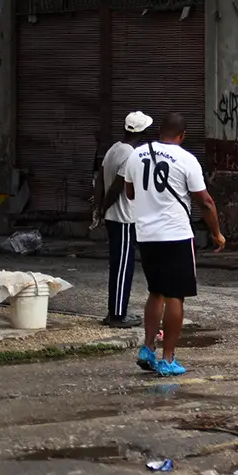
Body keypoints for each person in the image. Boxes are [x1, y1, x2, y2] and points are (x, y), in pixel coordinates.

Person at [120, 113, 226, 376]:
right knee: (175, 296)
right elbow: (206, 202)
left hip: (146, 235)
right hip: (175, 235)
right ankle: (168, 359)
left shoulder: (137, 155)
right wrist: (217, 233)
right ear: (182, 135)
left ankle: (147, 348)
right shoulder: (186, 159)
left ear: (159, 132)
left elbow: (130, 192)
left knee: (155, 291)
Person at [93, 111, 151, 328]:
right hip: (124, 219)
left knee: (119, 265)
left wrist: (98, 208)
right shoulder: (131, 155)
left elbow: (99, 180)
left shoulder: (114, 149)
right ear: (142, 132)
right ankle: (118, 315)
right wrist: (103, 208)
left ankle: (115, 311)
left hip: (113, 217)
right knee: (123, 267)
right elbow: (117, 187)